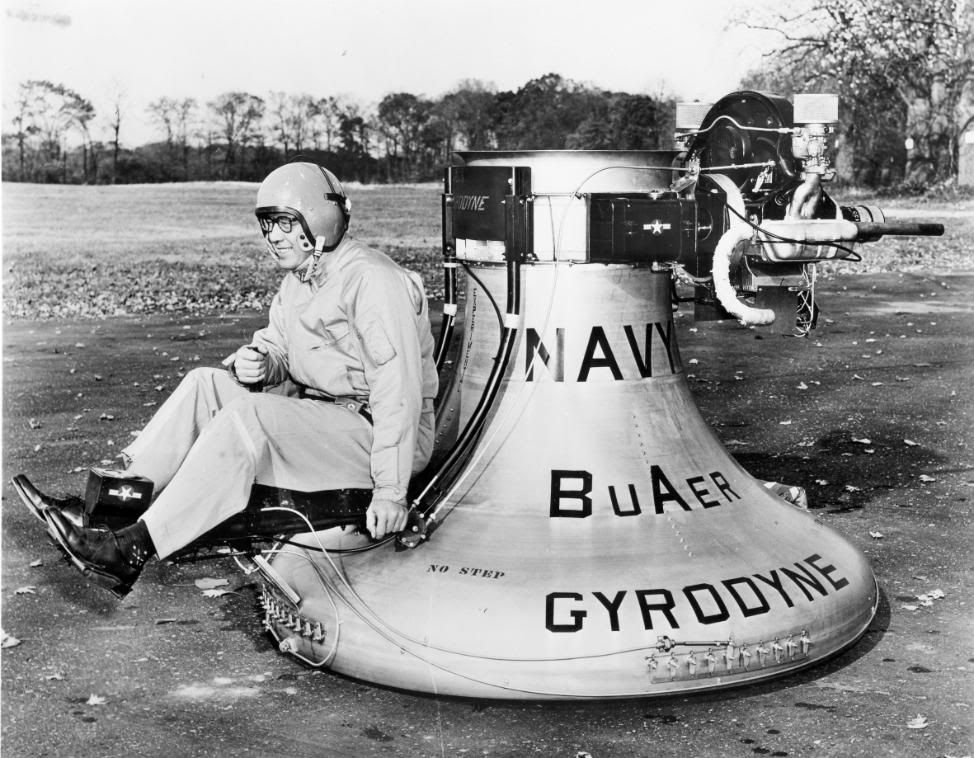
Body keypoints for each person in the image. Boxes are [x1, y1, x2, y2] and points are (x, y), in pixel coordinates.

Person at [15, 162, 438, 598]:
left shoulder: (373, 280)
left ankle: (131, 550)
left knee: (248, 418)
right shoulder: (301, 281)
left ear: (320, 219)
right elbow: (281, 347)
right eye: (268, 224)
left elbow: (398, 392)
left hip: (380, 436)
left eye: (285, 223)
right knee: (205, 384)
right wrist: (263, 363)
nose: (273, 237)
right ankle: (104, 514)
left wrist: (391, 491)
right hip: (330, 420)